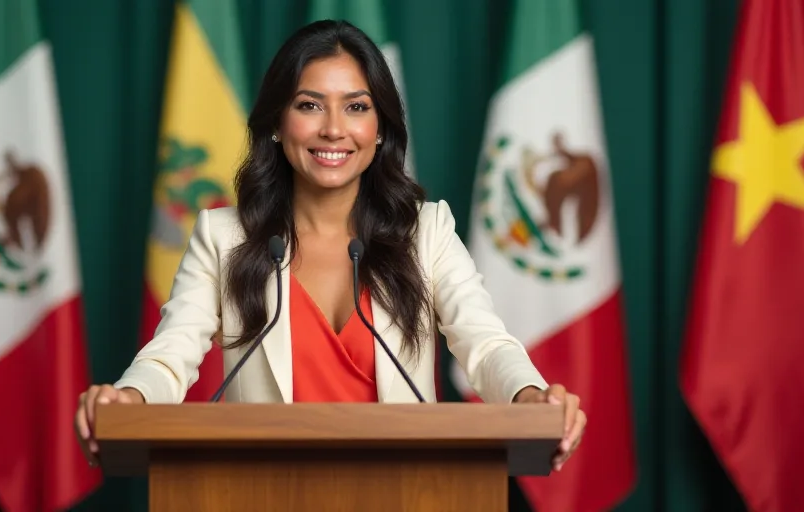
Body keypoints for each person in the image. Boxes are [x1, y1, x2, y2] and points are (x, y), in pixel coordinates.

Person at [75, 19, 586, 472]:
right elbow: (172, 355)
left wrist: (529, 395)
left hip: (408, 490)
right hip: (260, 491)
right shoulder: (222, 238)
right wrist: (129, 397)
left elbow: (485, 344)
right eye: (309, 105)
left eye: (356, 107)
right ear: (278, 123)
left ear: (380, 127)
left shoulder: (426, 232)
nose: (334, 129)